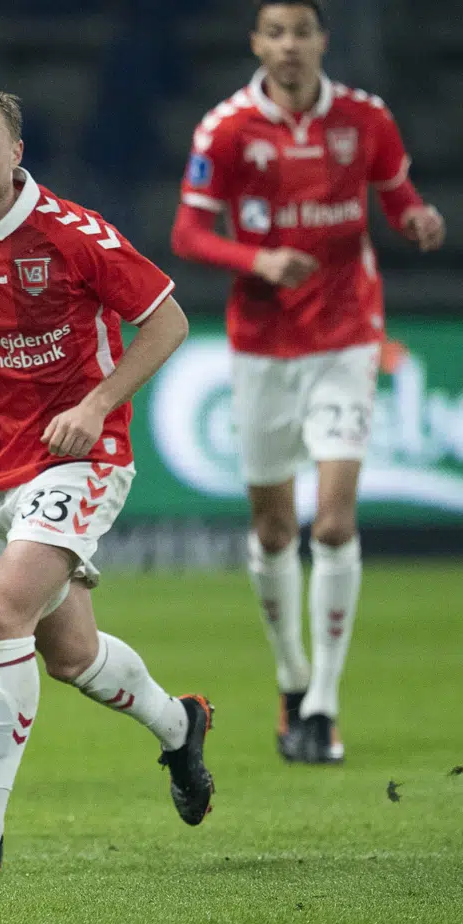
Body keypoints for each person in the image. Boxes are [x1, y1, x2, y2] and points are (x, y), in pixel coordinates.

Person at [0, 84, 213, 874]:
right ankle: (179, 725)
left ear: (17, 152)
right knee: (70, 652)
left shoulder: (71, 234)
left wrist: (96, 404)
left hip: (81, 456)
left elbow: (168, 321)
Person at [170, 0, 444, 763]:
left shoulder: (365, 118)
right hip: (261, 346)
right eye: (276, 33)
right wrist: (254, 260)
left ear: (323, 40)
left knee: (331, 522)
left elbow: (397, 197)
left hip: (348, 336)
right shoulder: (225, 128)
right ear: (257, 42)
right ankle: (291, 675)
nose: (290, 46)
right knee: (272, 529)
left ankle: (322, 702)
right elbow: (187, 232)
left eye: (302, 32)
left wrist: (417, 217)